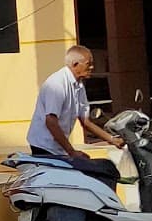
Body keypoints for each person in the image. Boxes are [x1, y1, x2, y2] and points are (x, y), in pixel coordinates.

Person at [26, 45, 121, 188]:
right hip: (44, 146)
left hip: (60, 147)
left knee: (99, 169)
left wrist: (112, 140)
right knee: (59, 186)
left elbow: (85, 121)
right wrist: (71, 152)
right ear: (75, 64)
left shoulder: (79, 85)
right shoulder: (57, 84)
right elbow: (50, 121)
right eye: (89, 64)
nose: (92, 68)